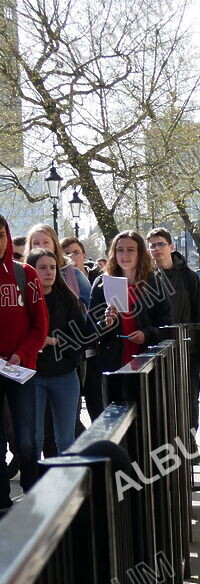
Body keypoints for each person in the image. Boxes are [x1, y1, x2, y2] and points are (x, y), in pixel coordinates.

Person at [87, 231, 172, 419]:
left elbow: (166, 325)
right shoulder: (101, 283)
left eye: (131, 250)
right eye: (120, 250)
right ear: (113, 254)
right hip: (113, 365)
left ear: (140, 253)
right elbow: (89, 330)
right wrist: (105, 322)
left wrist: (147, 333)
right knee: (116, 422)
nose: (125, 255)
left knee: (145, 420)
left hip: (146, 365)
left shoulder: (154, 282)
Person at [0, 214, 49, 514]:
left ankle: (33, 497)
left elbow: (40, 325)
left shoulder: (25, 274)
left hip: (21, 369)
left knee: (27, 440)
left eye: (1, 234)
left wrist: (22, 352)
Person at [28, 249, 92, 456]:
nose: (49, 272)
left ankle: (66, 483)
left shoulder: (67, 298)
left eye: (53, 267)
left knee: (65, 438)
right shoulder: (24, 299)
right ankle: (36, 484)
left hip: (64, 375)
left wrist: (53, 341)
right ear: (31, 270)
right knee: (35, 438)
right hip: (33, 375)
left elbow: (81, 338)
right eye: (43, 267)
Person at [147, 228, 200, 429]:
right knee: (163, 401)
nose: (156, 249)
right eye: (152, 245)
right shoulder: (147, 277)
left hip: (187, 348)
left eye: (161, 244)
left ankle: (190, 440)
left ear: (171, 247)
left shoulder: (188, 277)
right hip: (157, 348)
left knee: (190, 398)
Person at [25, 225, 91, 309]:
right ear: (30, 247)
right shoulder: (23, 275)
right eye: (36, 243)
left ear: (55, 245)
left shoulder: (74, 275)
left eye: (46, 242)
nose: (41, 246)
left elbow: (93, 305)